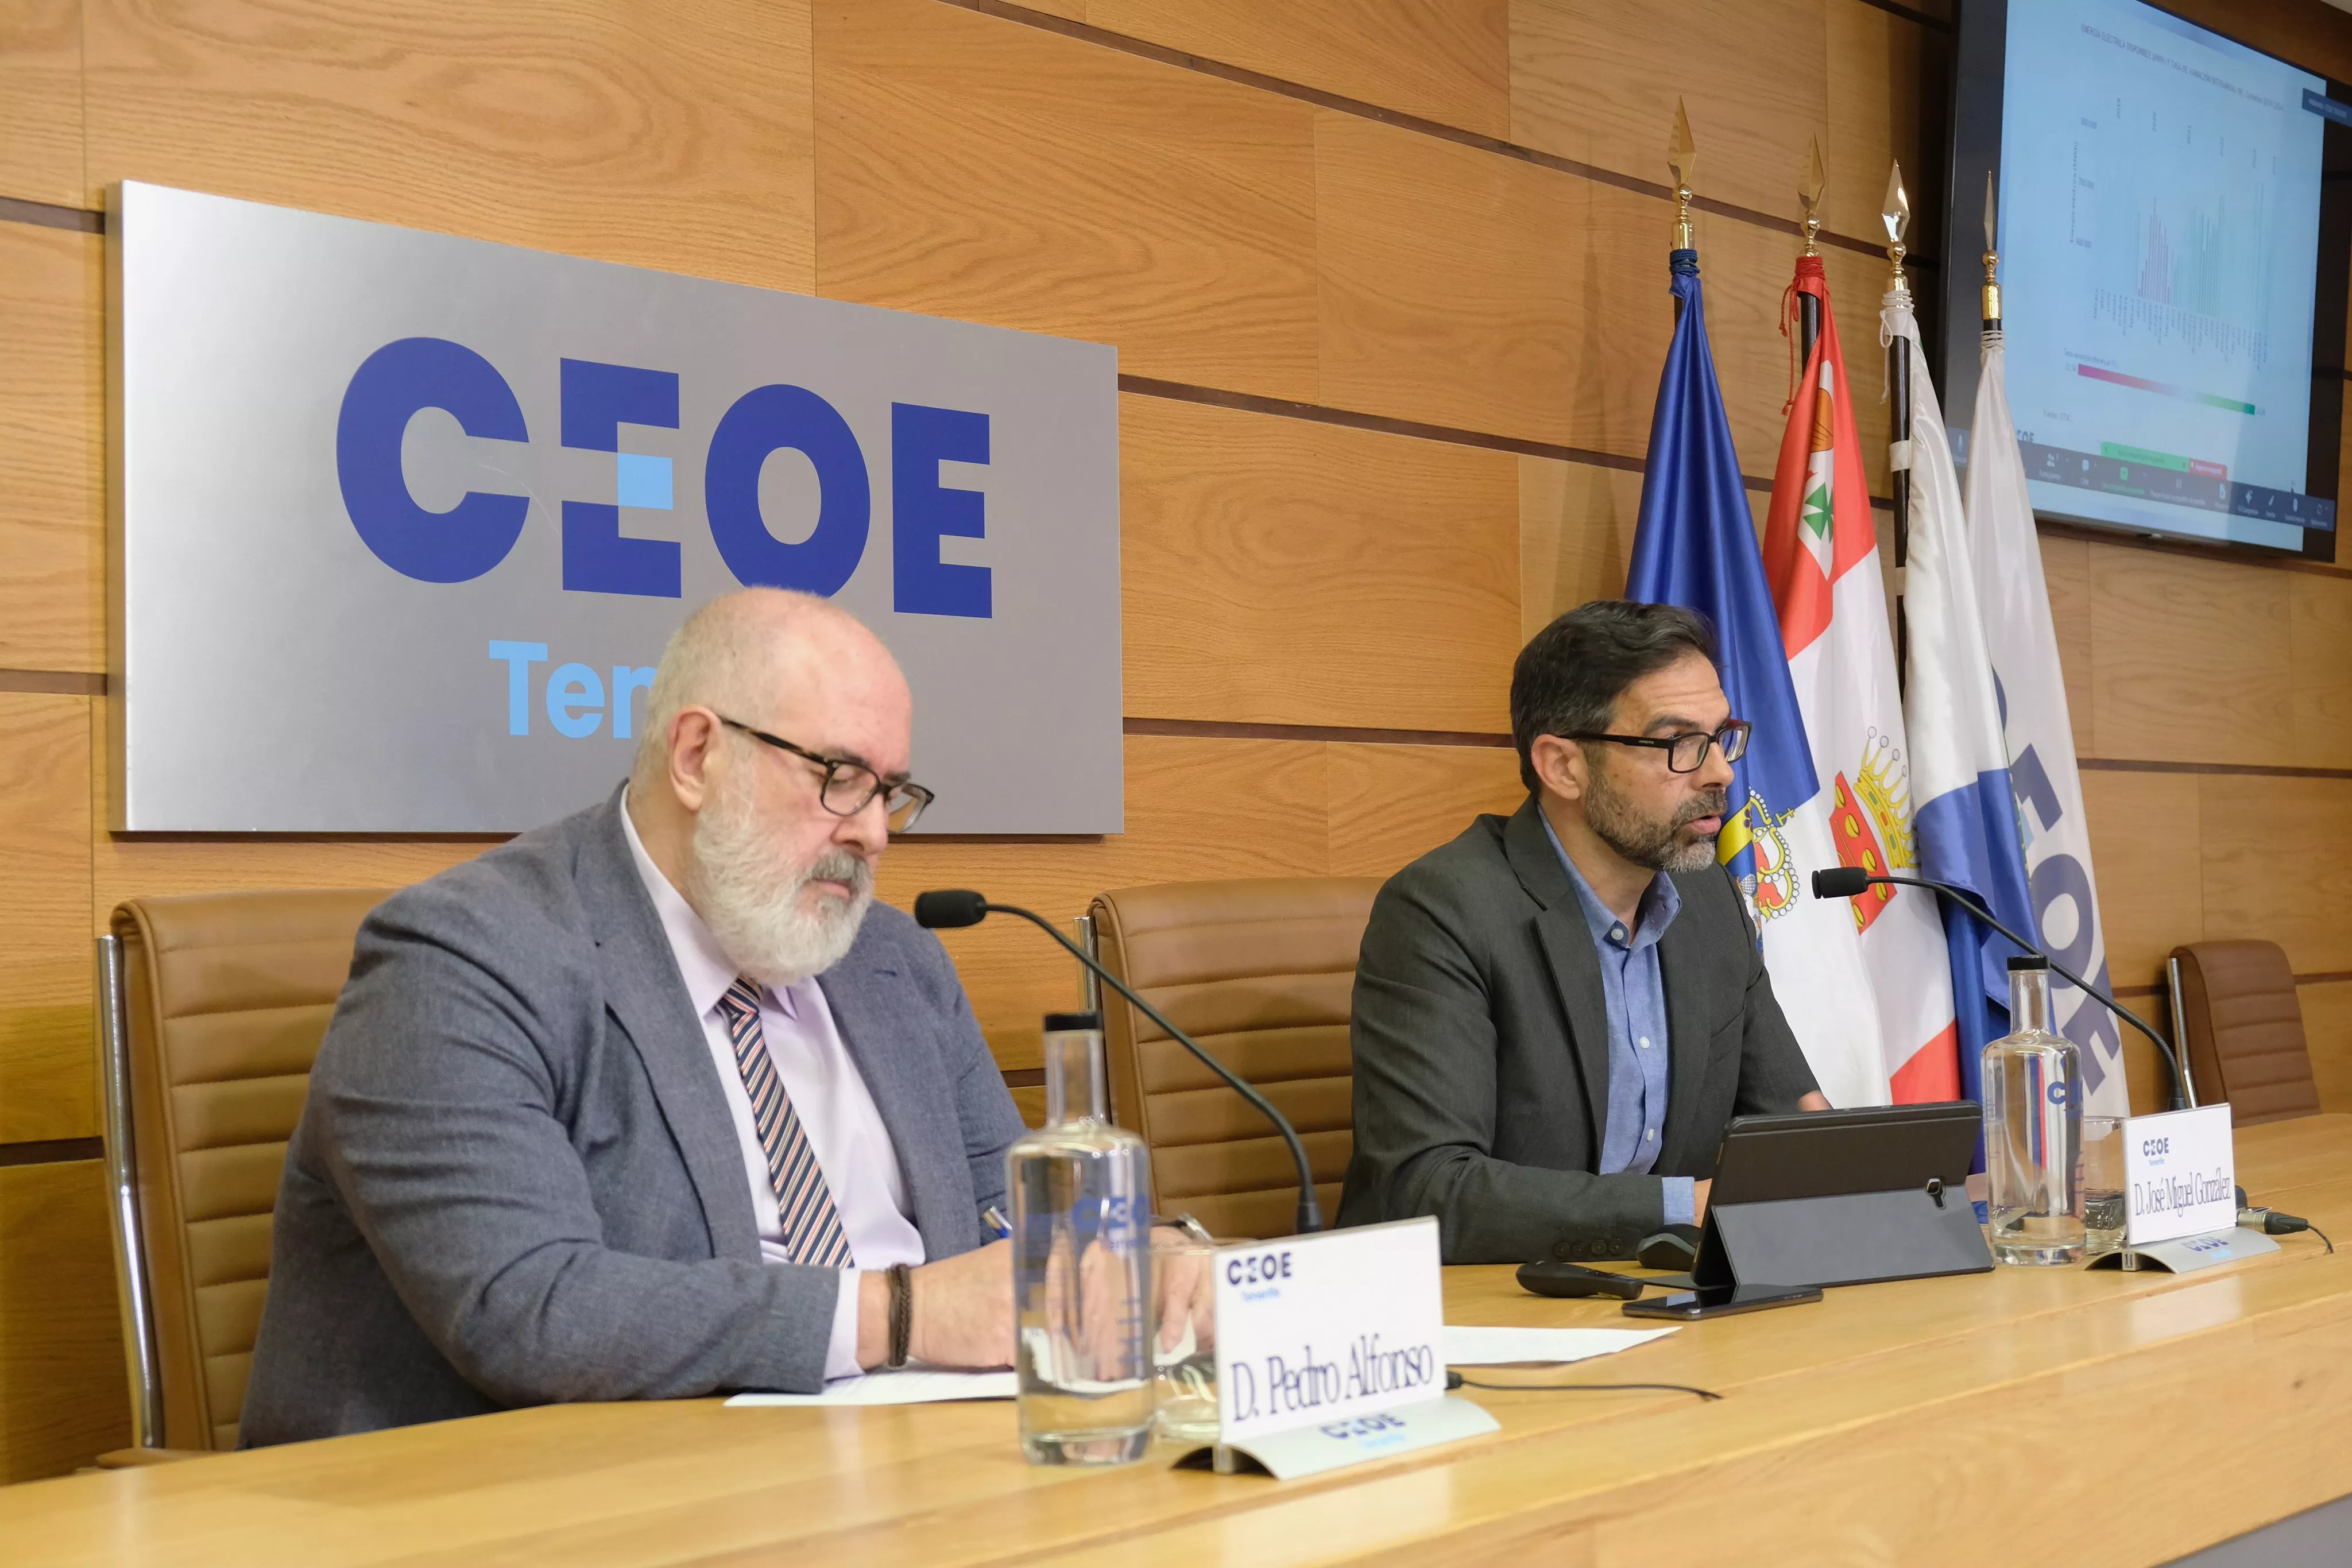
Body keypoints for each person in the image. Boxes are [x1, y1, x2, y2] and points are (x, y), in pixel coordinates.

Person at [242, 589, 1025, 1445]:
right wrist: (902, 1312)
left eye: (892, 791)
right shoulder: (468, 951)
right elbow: (524, 1307)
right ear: (697, 755)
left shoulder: (894, 962)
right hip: (539, 1503)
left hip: (922, 1473)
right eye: (839, 778)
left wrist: (1126, 1272)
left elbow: (1015, 1226)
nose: (875, 831)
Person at [1338, 601, 1831, 1264]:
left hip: (1657, 1295)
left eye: (1721, 737)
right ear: (1563, 766)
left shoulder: (1706, 896)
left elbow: (1796, 1121)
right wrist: (1683, 1209)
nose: (1720, 773)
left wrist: (1843, 1167)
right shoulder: (1444, 911)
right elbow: (1428, 1190)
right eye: (1679, 744)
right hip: (1482, 1311)